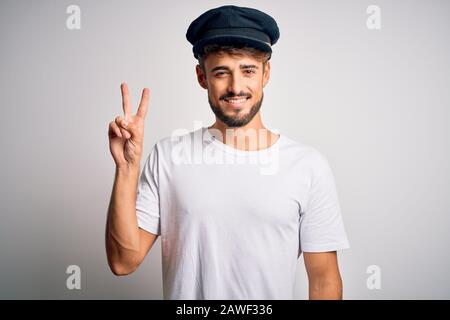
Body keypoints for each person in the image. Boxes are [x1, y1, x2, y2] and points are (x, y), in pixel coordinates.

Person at [105, 5, 350, 300]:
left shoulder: (308, 166)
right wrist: (126, 168)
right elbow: (123, 261)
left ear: (265, 73)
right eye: (222, 72)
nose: (236, 87)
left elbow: (324, 280)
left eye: (248, 70)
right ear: (201, 77)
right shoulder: (169, 156)